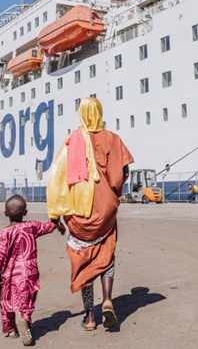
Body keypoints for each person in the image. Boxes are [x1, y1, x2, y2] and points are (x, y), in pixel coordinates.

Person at [46, 97, 134, 331]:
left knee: (84, 260)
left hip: (78, 214)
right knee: (106, 253)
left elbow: (57, 177)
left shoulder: (72, 139)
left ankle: (89, 316)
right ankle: (107, 299)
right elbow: (122, 174)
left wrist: (56, 214)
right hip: (105, 211)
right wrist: (112, 194)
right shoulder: (113, 139)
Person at [0, 194, 65, 345]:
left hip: (9, 275)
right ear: (25, 213)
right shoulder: (31, 226)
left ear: (5, 213)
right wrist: (56, 221)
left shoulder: (4, 233)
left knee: (6, 301)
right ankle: (25, 320)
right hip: (29, 272)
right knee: (27, 300)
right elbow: (47, 227)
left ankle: (11, 329)